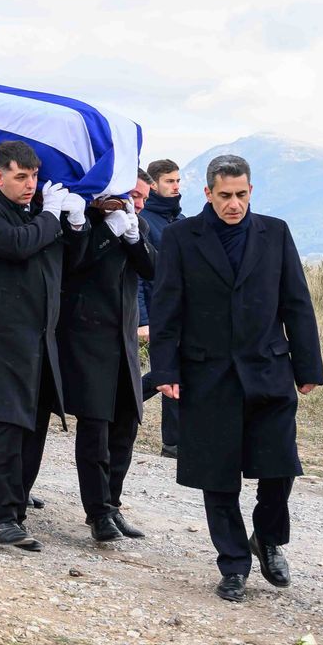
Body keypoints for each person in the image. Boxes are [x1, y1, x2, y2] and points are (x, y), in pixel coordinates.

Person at [149, 153, 323, 603]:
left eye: (241, 195)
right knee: (218, 474)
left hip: (269, 368)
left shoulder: (275, 232)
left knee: (280, 465)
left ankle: (267, 538)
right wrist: (165, 370)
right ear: (208, 193)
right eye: (225, 196)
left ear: (251, 191)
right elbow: (167, 307)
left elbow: (296, 302)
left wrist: (308, 367)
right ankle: (233, 564)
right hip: (207, 371)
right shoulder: (181, 237)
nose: (234, 204)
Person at [0, 140, 84, 551]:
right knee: (7, 428)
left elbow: (66, 261)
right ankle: (1, 519)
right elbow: (18, 245)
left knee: (34, 427)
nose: (29, 184)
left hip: (38, 337)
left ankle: (16, 507)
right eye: (20, 177)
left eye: (33, 176)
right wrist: (50, 213)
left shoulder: (32, 210)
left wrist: (78, 224)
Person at [59, 172, 156, 542]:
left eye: (145, 197)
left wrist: (133, 238)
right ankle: (97, 511)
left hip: (124, 338)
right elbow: (74, 262)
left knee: (126, 424)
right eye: (135, 194)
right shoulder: (83, 216)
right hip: (87, 336)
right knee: (95, 428)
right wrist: (108, 232)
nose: (141, 203)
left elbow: (153, 269)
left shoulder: (138, 222)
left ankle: (112, 502)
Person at [140, 158, 185, 457]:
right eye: (170, 181)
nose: (176, 186)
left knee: (174, 371)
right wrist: (143, 319)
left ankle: (175, 441)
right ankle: (173, 442)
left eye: (178, 181)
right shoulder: (145, 221)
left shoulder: (182, 222)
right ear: (154, 184)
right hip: (158, 311)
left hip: (184, 312)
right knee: (168, 372)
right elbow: (139, 275)